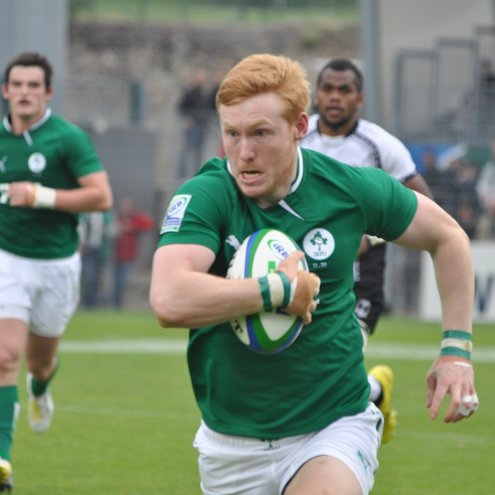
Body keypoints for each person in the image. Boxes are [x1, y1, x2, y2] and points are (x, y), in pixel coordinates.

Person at [149, 53, 477, 495]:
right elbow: (169, 298)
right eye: (232, 133)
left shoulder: (348, 188)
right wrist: (279, 291)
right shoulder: (206, 196)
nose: (244, 152)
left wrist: (456, 351)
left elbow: (448, 237)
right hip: (230, 443)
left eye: (261, 133)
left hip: (332, 425)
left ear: (299, 127)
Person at [300, 58, 433, 443]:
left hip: (361, 278)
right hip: (304, 273)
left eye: (344, 90)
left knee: (332, 368)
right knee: (309, 372)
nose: (335, 97)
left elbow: (425, 206)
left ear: (360, 98)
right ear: (317, 94)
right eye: (328, 89)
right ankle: (375, 391)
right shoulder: (297, 137)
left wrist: (371, 235)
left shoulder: (381, 146)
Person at [0, 52, 113, 491]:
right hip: (7, 259)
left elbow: (101, 197)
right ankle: (3, 461)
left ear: (47, 92)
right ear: (5, 91)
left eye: (34, 85)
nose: (24, 92)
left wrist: (40, 196)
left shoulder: (67, 139)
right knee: (4, 356)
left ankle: (41, 388)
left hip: (56, 265)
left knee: (40, 362)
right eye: (17, 84)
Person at [111, 197, 154, 309]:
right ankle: (115, 302)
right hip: (115, 254)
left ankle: (119, 303)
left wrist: (132, 226)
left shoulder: (134, 218)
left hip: (128, 255)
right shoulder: (117, 218)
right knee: (115, 280)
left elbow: (149, 223)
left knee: (122, 280)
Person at [177, 68, 212, 179]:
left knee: (198, 153)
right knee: (187, 152)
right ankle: (181, 175)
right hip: (193, 128)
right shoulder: (190, 93)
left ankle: (196, 174)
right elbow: (181, 108)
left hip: (202, 127)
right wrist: (188, 118)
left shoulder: (204, 94)